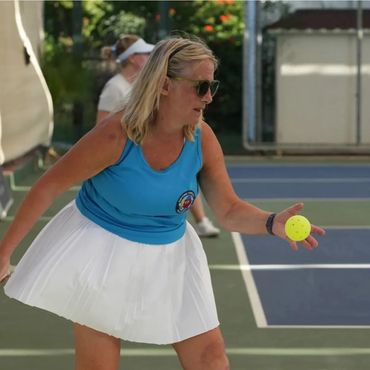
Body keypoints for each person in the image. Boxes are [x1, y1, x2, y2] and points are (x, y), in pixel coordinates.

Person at [0, 35, 325, 370]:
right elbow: (48, 185)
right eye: (201, 87)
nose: (209, 97)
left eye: (212, 85)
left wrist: (273, 223)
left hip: (172, 254)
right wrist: (3, 253)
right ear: (165, 85)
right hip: (101, 250)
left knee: (211, 360)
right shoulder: (116, 135)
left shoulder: (203, 137)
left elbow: (228, 210)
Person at [96, 34, 220, 238]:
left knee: (183, 177)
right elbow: (101, 129)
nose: (149, 55)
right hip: (127, 165)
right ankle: (201, 221)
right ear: (134, 58)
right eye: (144, 52)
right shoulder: (115, 88)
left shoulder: (194, 131)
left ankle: (201, 220)